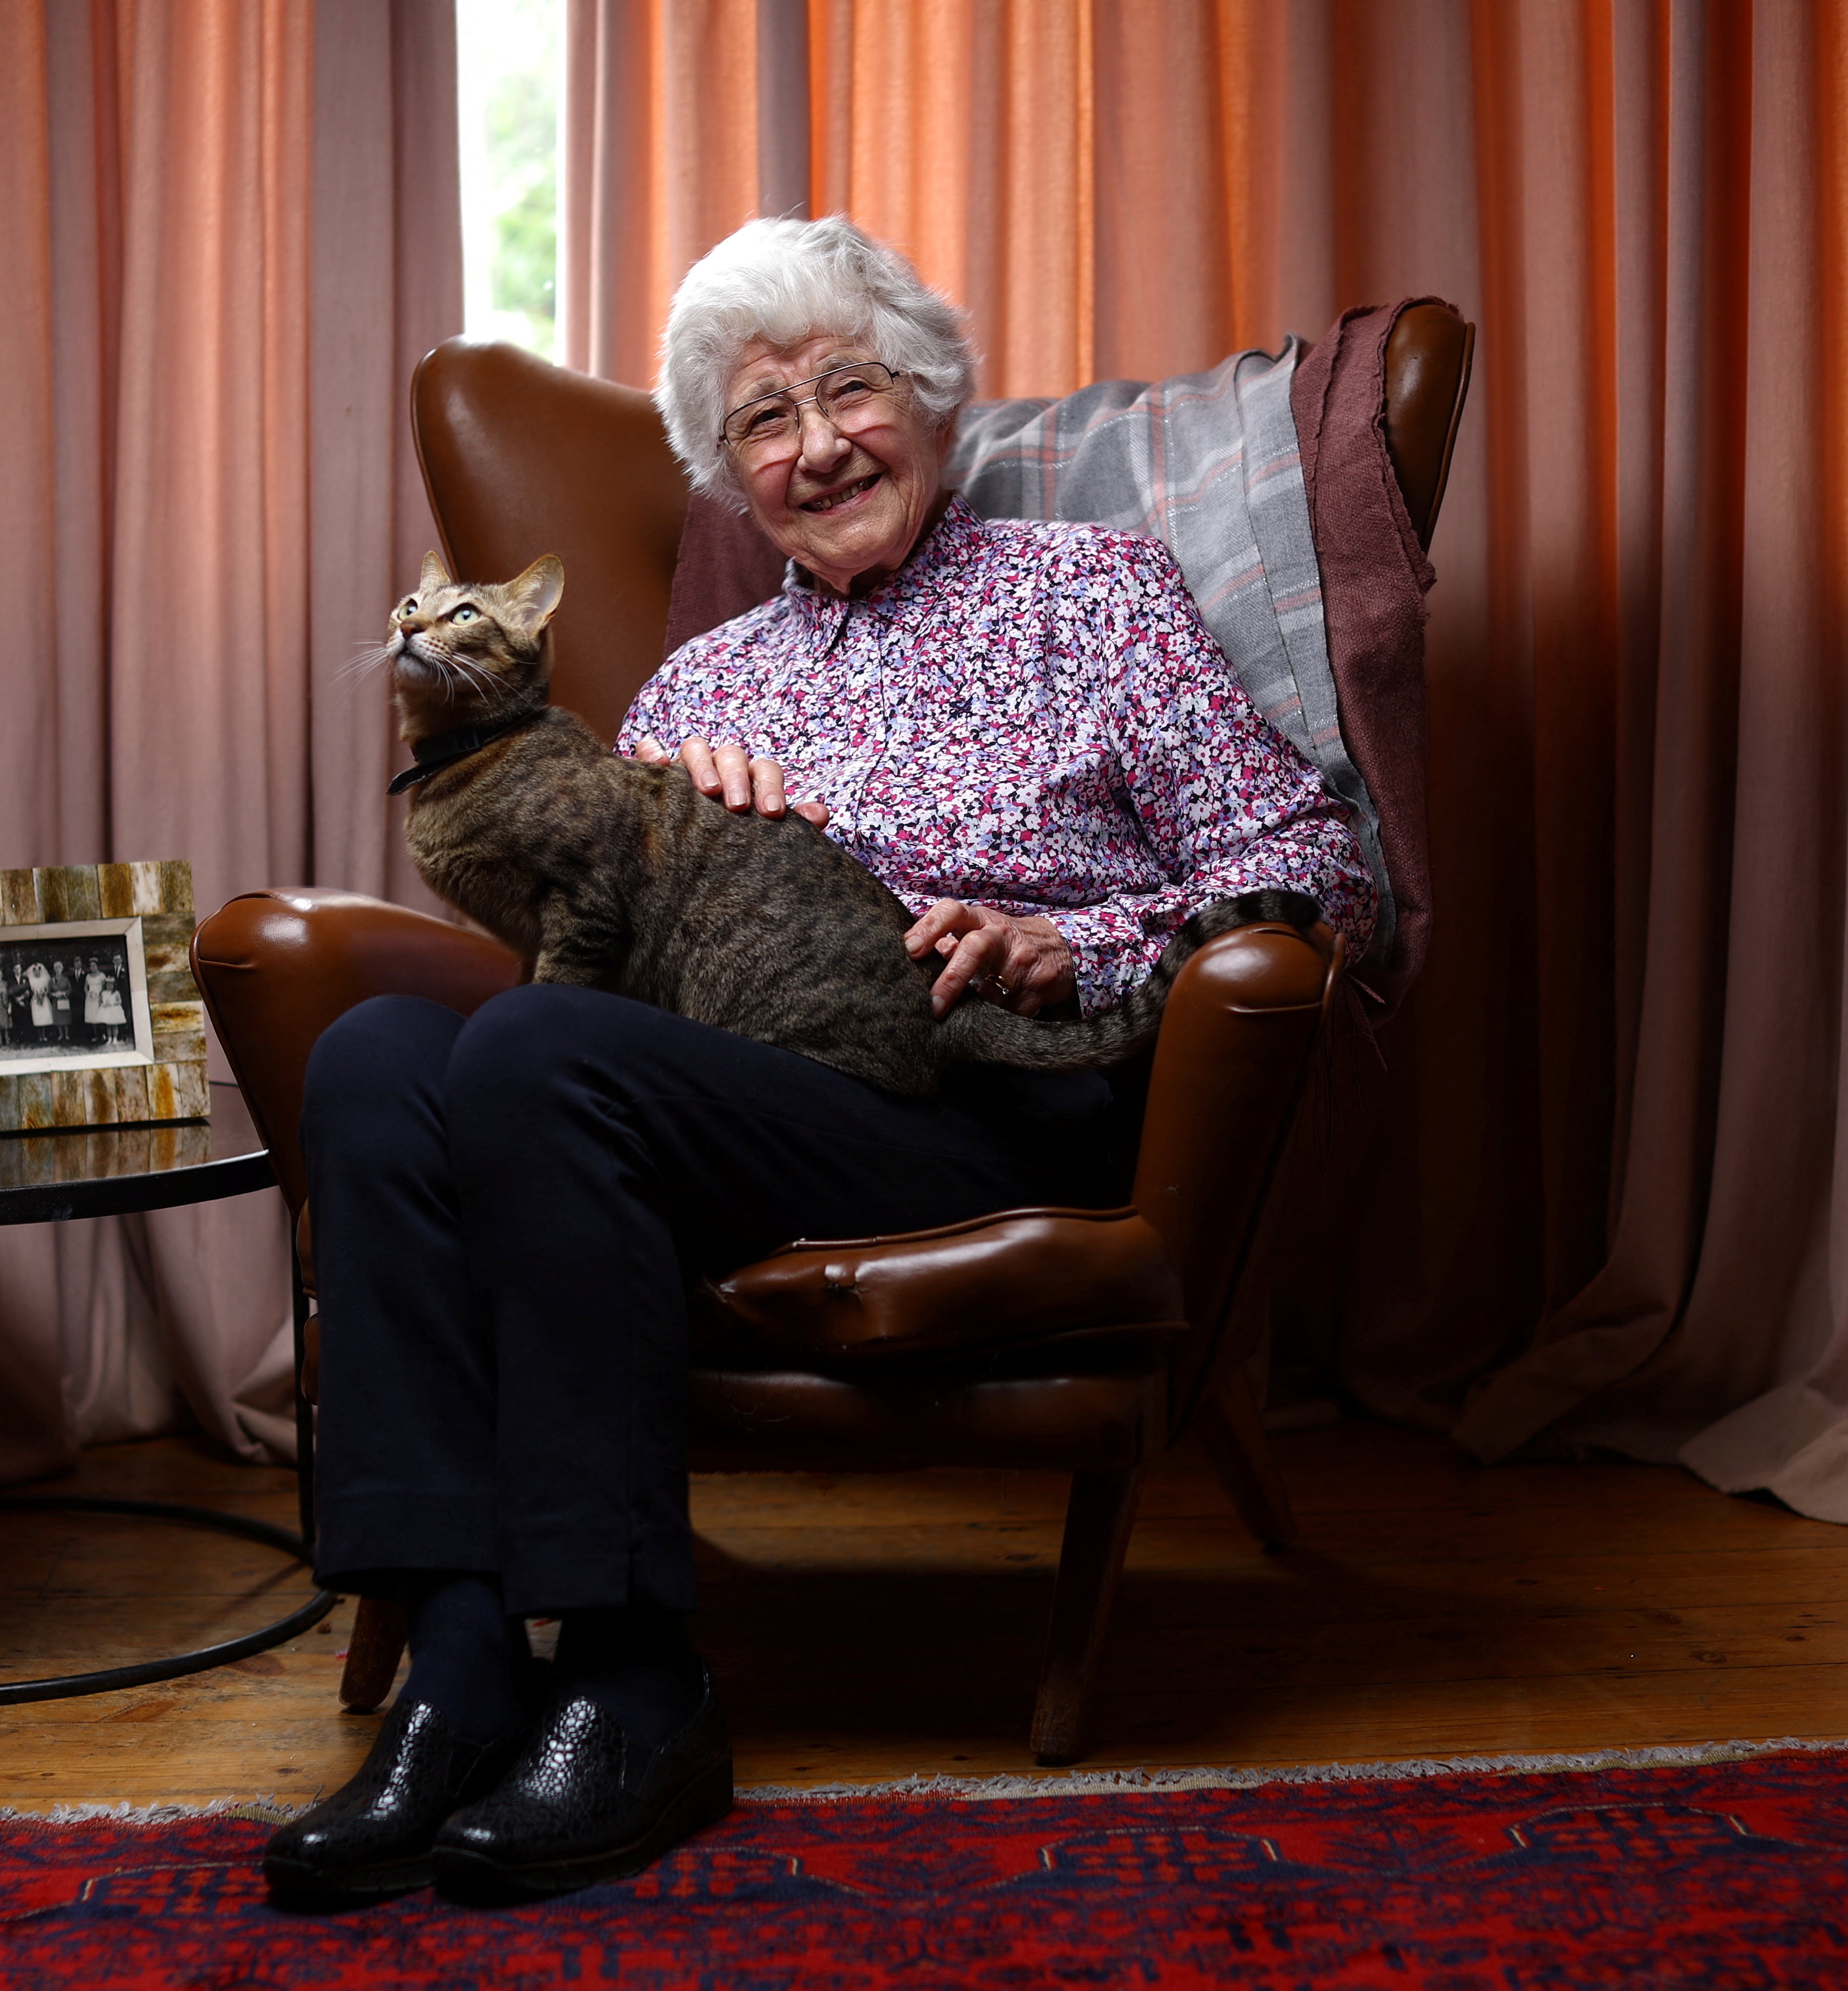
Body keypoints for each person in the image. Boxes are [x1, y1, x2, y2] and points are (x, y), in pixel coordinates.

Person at [265, 216, 1375, 1907]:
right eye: (764, 425)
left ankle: (638, 1680)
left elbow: (1317, 857)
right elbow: (604, 943)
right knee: (377, 1059)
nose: (816, 446)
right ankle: (464, 1665)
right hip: (714, 1106)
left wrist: (1083, 942)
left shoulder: (1095, 594)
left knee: (540, 1048)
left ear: (929, 403)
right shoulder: (701, 684)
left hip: (984, 1095)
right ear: (731, 478)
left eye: (847, 390)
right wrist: (663, 829)